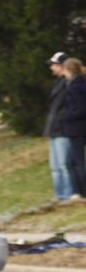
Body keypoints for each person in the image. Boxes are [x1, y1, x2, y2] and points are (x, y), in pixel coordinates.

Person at [44, 52, 75, 201]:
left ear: (62, 66)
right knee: (55, 166)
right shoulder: (58, 83)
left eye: (54, 64)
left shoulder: (69, 84)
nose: (51, 68)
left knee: (64, 165)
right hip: (54, 129)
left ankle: (68, 194)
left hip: (63, 129)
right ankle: (59, 194)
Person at [60, 57, 86, 200]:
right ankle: (77, 191)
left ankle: (81, 192)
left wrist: (67, 116)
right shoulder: (75, 84)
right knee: (71, 162)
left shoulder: (77, 86)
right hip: (74, 129)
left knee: (77, 162)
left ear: (68, 70)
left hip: (77, 129)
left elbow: (81, 108)